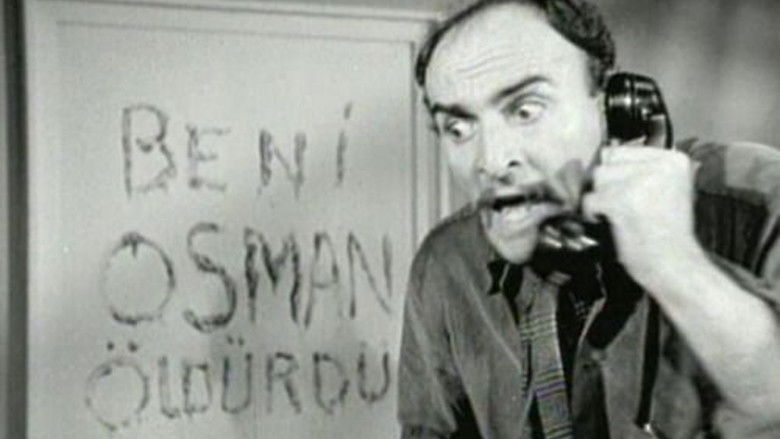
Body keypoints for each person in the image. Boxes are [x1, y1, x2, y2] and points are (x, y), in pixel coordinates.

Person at [396, 0, 780, 438]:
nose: (491, 161)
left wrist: (675, 263)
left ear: (612, 108)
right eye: (458, 128)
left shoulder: (759, 199)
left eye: (525, 111)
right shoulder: (447, 264)